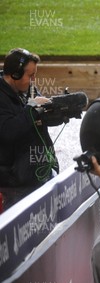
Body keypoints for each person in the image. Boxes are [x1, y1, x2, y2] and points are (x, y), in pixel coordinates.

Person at [0, 48, 58, 209]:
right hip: (13, 181)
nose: (33, 80)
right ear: (15, 74)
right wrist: (31, 109)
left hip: (35, 170)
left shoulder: (28, 89)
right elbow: (8, 132)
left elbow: (38, 119)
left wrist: (57, 113)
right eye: (30, 75)